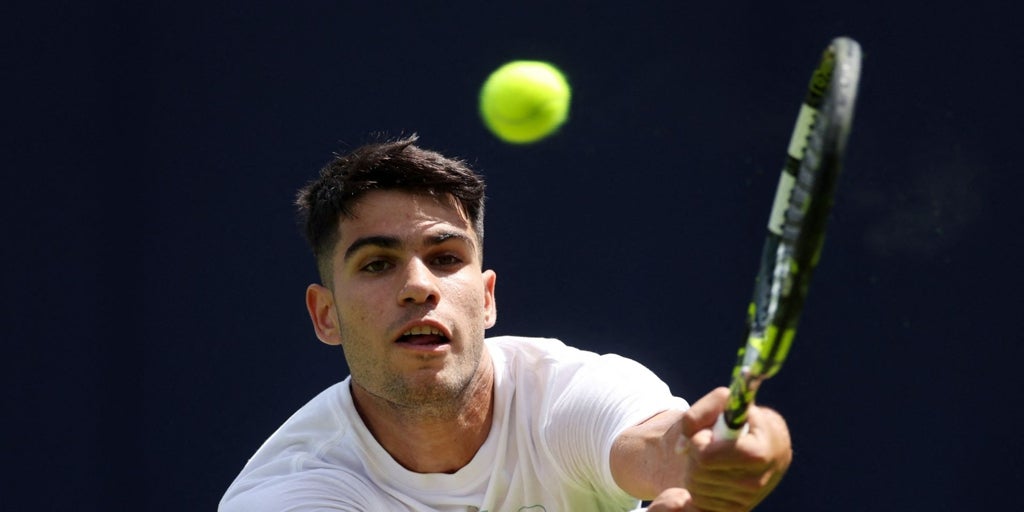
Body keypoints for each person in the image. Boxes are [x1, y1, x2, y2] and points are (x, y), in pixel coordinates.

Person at [219, 134, 792, 512]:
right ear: (327, 316)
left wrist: (712, 459)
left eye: (446, 259)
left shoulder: (566, 395)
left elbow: (657, 447)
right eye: (377, 264)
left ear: (487, 299)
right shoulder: (289, 491)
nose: (419, 285)